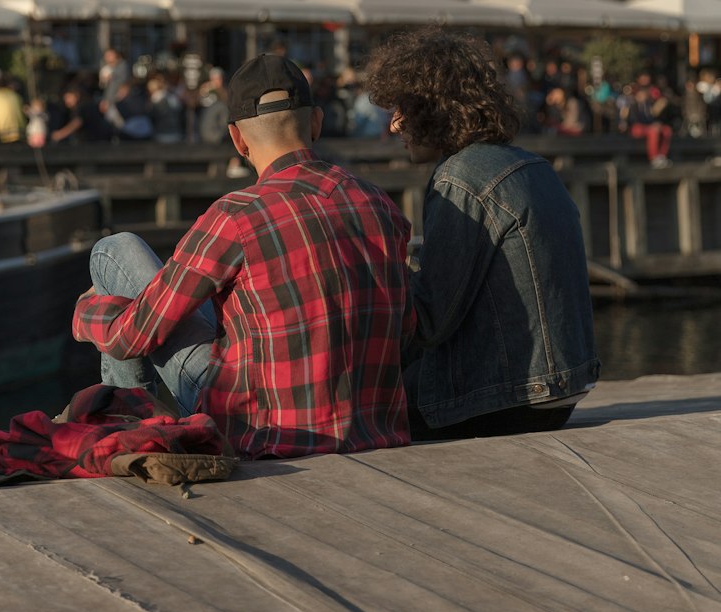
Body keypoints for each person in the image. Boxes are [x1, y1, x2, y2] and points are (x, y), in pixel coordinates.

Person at [73, 53, 414, 458]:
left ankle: (125, 433)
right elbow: (405, 327)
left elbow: (131, 336)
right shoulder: (380, 206)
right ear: (317, 122)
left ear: (237, 139)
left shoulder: (235, 216)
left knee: (114, 251)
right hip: (376, 433)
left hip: (262, 433)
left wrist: (87, 312)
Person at [365, 26, 599, 441]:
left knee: (349, 394)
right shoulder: (532, 165)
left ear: (433, 108)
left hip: (507, 400)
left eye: (402, 108)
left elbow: (430, 320)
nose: (395, 125)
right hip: (562, 390)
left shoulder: (460, 177)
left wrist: (380, 274)